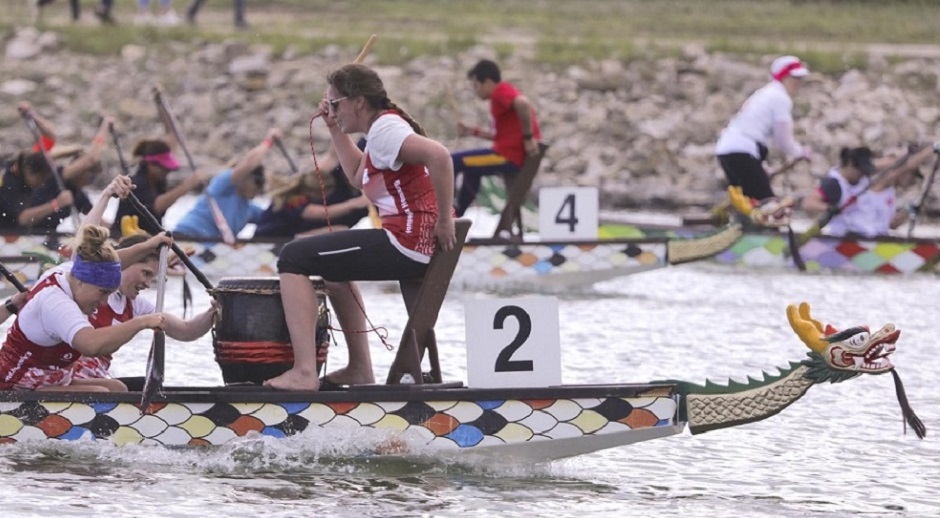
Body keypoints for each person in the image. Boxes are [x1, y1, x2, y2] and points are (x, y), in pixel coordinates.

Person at [264, 63, 457, 391]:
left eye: (335, 104)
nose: (332, 110)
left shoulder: (385, 130)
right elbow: (357, 176)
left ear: (358, 102)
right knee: (334, 272)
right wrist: (334, 128)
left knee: (292, 257)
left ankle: (304, 372)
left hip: (407, 244)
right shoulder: (381, 129)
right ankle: (359, 369)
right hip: (413, 243)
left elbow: (440, 156)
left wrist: (443, 222)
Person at [0, 224, 167, 391]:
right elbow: (91, 345)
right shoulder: (56, 302)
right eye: (102, 292)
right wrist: (141, 322)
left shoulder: (69, 273)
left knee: (117, 389)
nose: (104, 302)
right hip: (13, 388)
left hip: (48, 381)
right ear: (81, 282)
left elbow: (113, 262)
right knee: (100, 393)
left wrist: (148, 246)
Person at [715, 55, 813, 201]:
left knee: (749, 203)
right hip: (741, 152)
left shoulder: (764, 93)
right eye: (795, 78)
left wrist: (762, 166)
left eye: (800, 78)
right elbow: (783, 142)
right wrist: (800, 152)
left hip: (726, 150)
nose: (798, 83)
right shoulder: (780, 98)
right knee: (767, 204)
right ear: (783, 77)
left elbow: (755, 131)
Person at [451, 59, 541, 217]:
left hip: (508, 157)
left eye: (476, 85)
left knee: (451, 161)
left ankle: (447, 211)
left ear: (487, 82)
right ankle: (457, 214)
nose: (475, 90)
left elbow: (523, 104)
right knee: (472, 171)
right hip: (507, 153)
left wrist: (528, 138)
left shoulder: (500, 92)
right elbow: (500, 135)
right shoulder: (500, 95)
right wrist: (472, 132)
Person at [0, 105, 110, 231]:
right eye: (92, 178)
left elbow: (49, 137)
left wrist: (33, 115)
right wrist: (105, 124)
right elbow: (91, 160)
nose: (42, 184)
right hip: (15, 235)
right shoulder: (56, 176)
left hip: (41, 236)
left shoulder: (76, 194)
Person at [801, 144, 938, 237]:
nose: (863, 174)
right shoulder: (833, 184)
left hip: (868, 238)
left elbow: (898, 165)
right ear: (850, 165)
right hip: (845, 239)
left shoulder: (862, 177)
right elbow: (808, 203)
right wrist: (829, 208)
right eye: (861, 170)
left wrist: (912, 154)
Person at [172, 128, 281, 239]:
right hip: (186, 236)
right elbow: (250, 162)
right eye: (258, 181)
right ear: (245, 177)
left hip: (212, 246)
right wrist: (269, 141)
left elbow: (274, 219)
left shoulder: (249, 210)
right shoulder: (223, 186)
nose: (259, 188)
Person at [254, 141, 370, 238]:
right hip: (269, 239)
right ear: (315, 193)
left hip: (293, 235)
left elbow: (333, 155)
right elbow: (324, 213)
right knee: (340, 229)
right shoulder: (294, 200)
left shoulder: (314, 179)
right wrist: (355, 204)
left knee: (340, 229)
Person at [111, 131, 209, 237]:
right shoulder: (136, 183)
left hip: (149, 236)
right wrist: (188, 185)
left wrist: (172, 133)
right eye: (164, 168)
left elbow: (172, 142)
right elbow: (158, 206)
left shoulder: (158, 181)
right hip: (125, 238)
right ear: (151, 165)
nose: (167, 172)